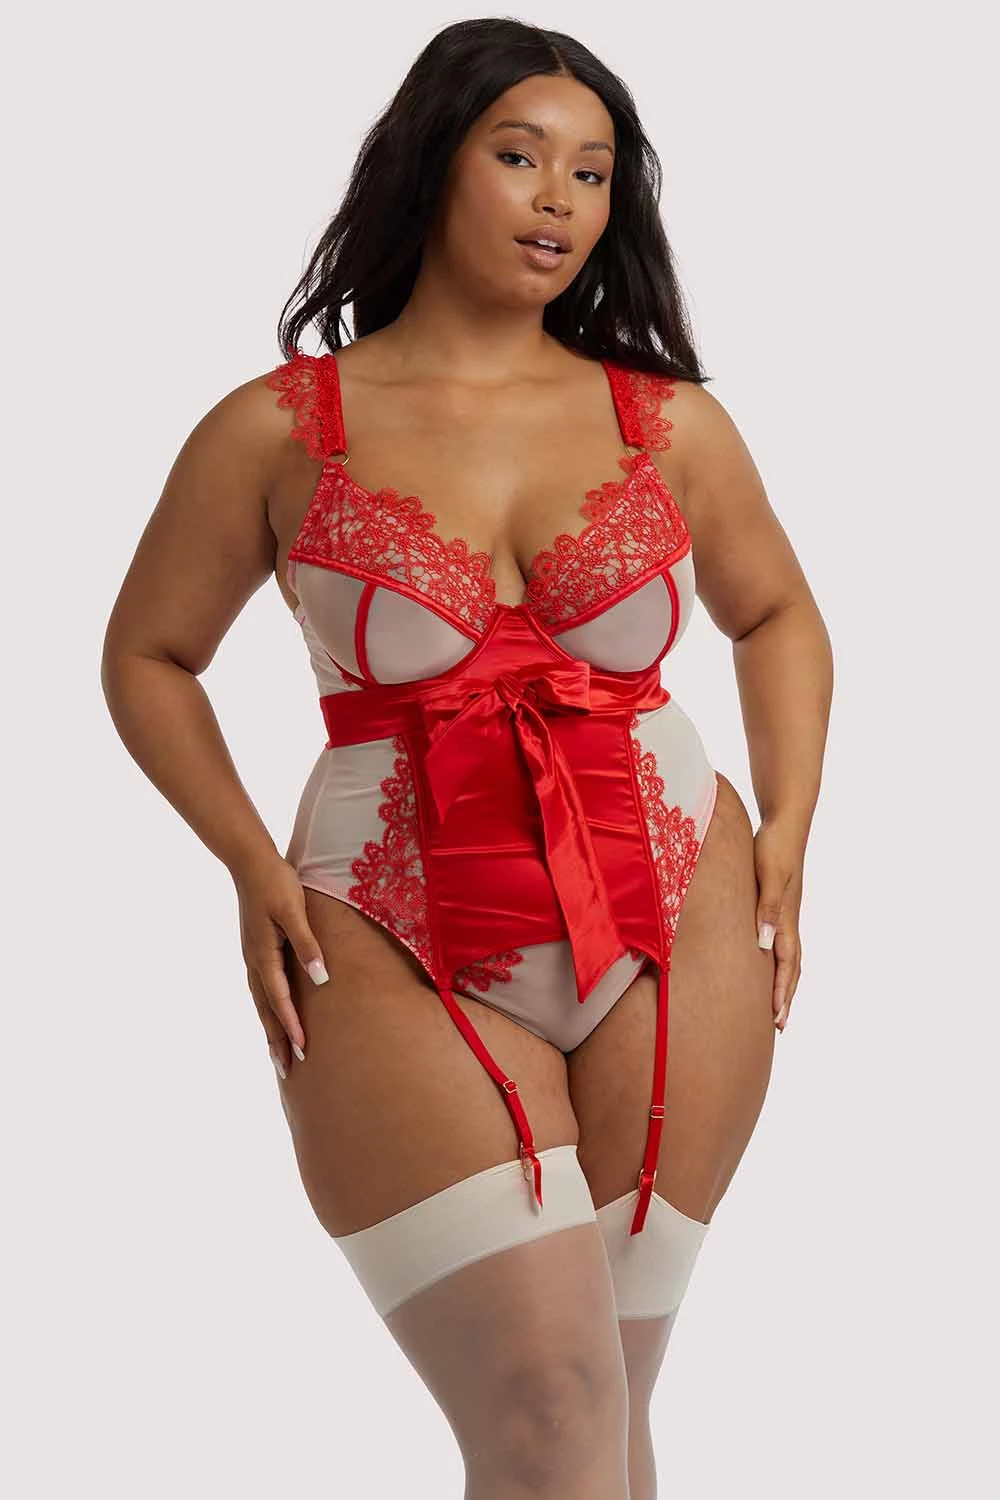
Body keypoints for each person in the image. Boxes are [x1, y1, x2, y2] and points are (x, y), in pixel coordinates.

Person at [101, 18, 832, 1499]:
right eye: (520, 156)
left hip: (677, 913)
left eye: (593, 171)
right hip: (380, 926)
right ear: (435, 164)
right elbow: (147, 656)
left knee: (606, 1409)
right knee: (546, 1407)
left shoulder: (668, 422)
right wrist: (247, 864)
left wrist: (789, 830)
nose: (559, 198)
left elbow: (777, 614)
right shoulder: (279, 427)